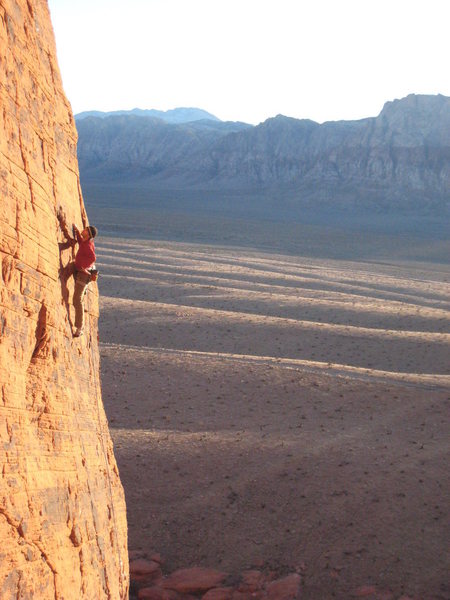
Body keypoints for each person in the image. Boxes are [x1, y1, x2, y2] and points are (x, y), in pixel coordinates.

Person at [72, 224, 98, 337]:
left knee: (77, 300)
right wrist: (77, 232)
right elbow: (80, 242)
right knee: (78, 299)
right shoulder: (85, 242)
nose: (83, 230)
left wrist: (84, 267)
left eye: (85, 230)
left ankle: (79, 327)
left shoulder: (87, 244)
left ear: (88, 234)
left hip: (83, 275)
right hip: (81, 273)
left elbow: (93, 258)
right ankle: (80, 326)